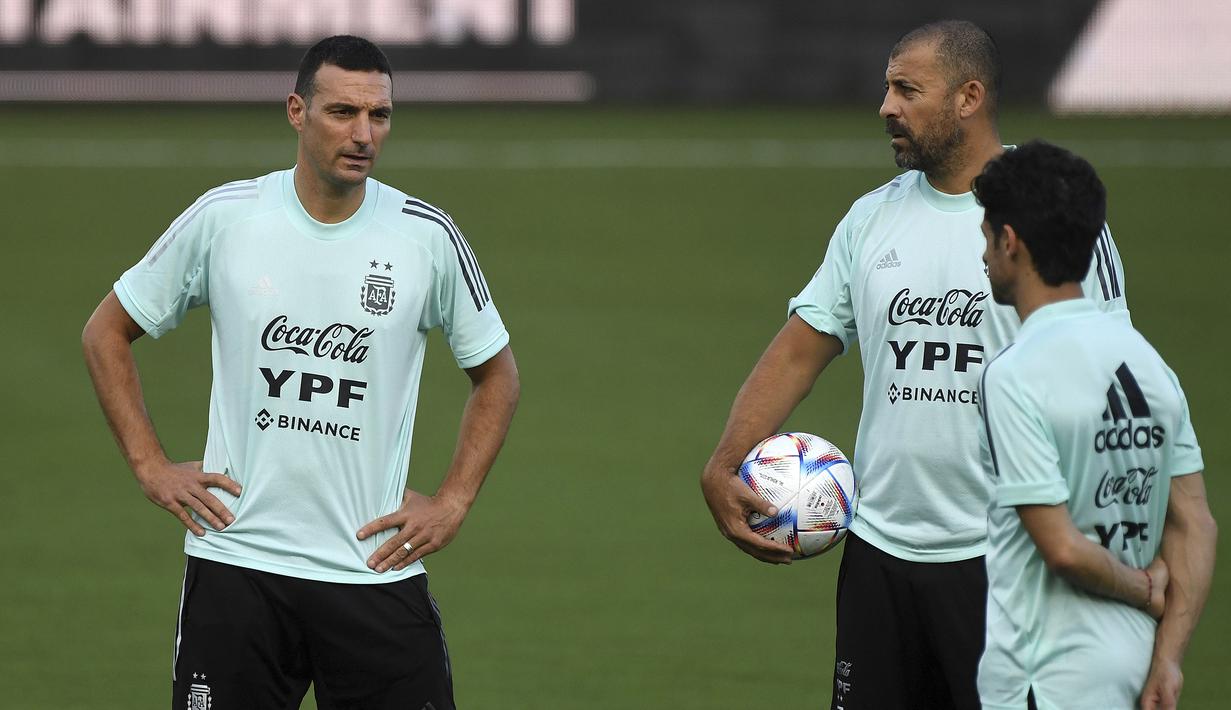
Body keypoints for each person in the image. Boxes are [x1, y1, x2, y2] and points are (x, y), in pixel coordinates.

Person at [81, 35, 519, 710]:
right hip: (238, 569)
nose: (364, 134)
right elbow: (106, 331)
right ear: (296, 110)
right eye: (343, 112)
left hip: (371, 572)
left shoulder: (425, 236)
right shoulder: (226, 219)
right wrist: (149, 463)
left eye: (380, 115)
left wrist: (454, 498)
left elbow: (497, 374)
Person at [699, 20, 1127, 709]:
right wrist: (724, 461)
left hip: (1007, 559)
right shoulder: (870, 219)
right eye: (885, 88)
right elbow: (800, 348)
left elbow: (1109, 380)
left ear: (968, 97)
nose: (885, 107)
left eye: (906, 89)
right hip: (877, 556)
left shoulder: (1051, 218)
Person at [973, 141, 1216, 710]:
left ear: (1011, 243)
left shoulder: (1015, 374)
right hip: (1131, 674)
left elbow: (1060, 548)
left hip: (1043, 680)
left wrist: (1142, 588)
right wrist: (1168, 662)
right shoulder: (1150, 364)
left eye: (987, 240)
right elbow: (1195, 524)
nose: (985, 257)